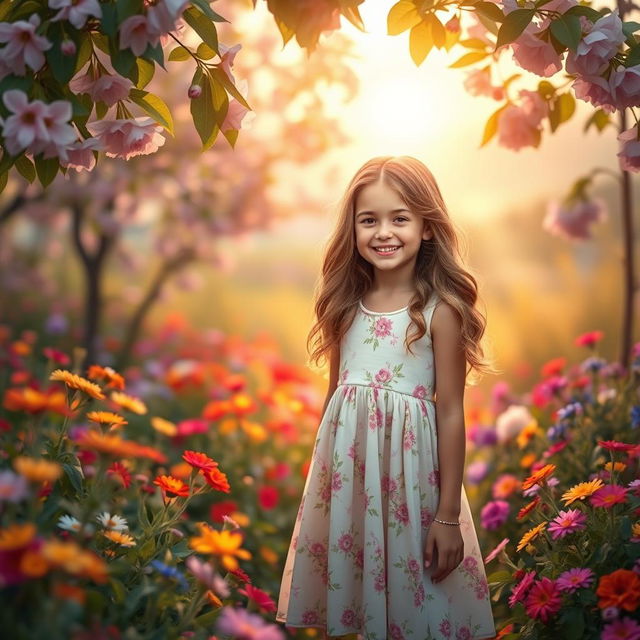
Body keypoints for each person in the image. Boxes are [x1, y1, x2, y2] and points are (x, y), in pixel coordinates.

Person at [275, 156, 498, 640]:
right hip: (351, 483)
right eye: (369, 220)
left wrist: (446, 516)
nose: (384, 232)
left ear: (428, 228)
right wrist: (324, 496)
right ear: (352, 229)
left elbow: (452, 411)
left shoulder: (440, 312)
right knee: (360, 602)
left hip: (412, 486)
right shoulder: (343, 306)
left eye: (400, 218)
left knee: (414, 603)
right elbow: (335, 397)